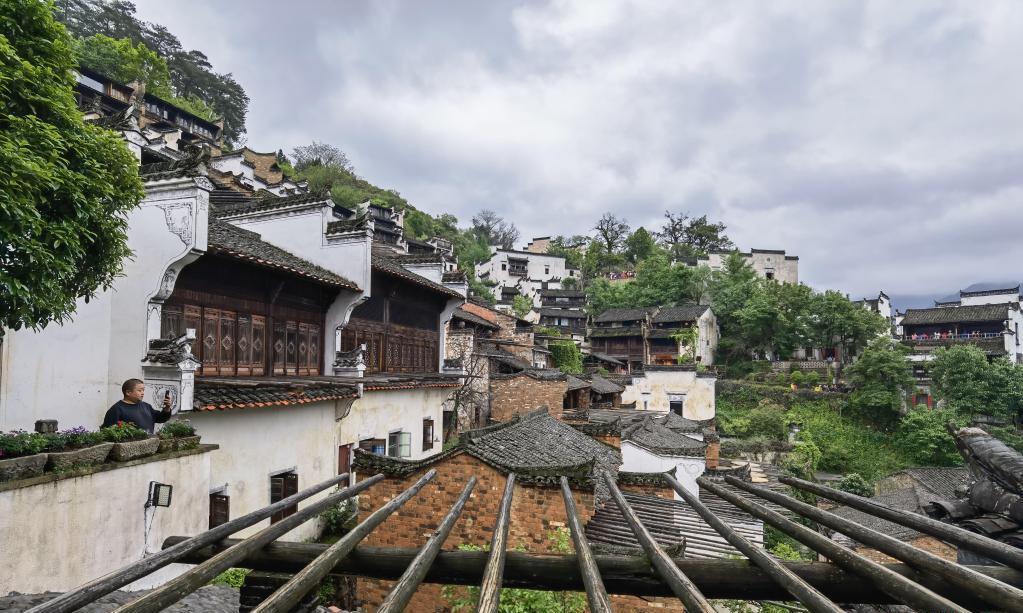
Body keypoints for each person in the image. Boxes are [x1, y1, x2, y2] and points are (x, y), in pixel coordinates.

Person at [102, 378, 172, 434]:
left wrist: (167, 408)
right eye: (139, 390)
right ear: (128, 392)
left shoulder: (146, 406)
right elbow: (108, 433)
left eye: (143, 390)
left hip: (148, 446)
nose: (142, 393)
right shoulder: (116, 409)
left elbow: (161, 418)